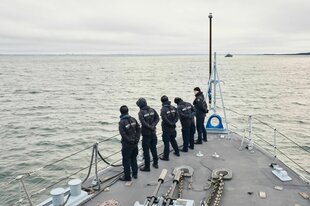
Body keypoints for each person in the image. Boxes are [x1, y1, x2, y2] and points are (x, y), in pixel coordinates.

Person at [136, 98, 159, 171]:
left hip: (146, 134)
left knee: (146, 151)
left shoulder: (141, 112)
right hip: (153, 133)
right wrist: (153, 126)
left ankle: (147, 167)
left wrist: (150, 127)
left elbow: (143, 122)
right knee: (154, 149)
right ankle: (155, 163)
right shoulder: (152, 110)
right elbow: (157, 118)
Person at [118, 105, 141, 181]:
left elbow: (123, 134)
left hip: (127, 145)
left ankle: (127, 177)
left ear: (121, 112)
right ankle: (135, 174)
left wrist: (129, 140)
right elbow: (138, 129)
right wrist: (137, 139)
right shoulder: (133, 119)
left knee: (126, 160)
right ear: (128, 111)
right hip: (135, 143)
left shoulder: (122, 122)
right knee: (134, 158)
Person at [159, 95, 180, 161]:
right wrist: (173, 122)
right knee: (173, 140)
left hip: (166, 128)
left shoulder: (163, 109)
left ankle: (166, 157)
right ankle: (177, 152)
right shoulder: (173, 107)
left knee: (166, 143)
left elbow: (164, 118)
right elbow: (177, 116)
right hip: (173, 127)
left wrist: (170, 123)